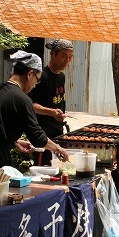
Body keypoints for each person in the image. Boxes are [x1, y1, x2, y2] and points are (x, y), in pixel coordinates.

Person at [0, 50, 70, 177]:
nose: (35, 86)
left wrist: (14, 141)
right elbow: (37, 136)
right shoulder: (23, 100)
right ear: (30, 74)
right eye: (37, 80)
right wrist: (58, 148)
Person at [28, 38, 74, 166]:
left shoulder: (62, 77)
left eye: (70, 57)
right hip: (43, 135)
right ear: (52, 54)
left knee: (57, 168)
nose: (67, 60)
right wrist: (52, 112)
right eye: (64, 56)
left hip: (58, 133)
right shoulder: (42, 76)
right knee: (43, 169)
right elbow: (31, 105)